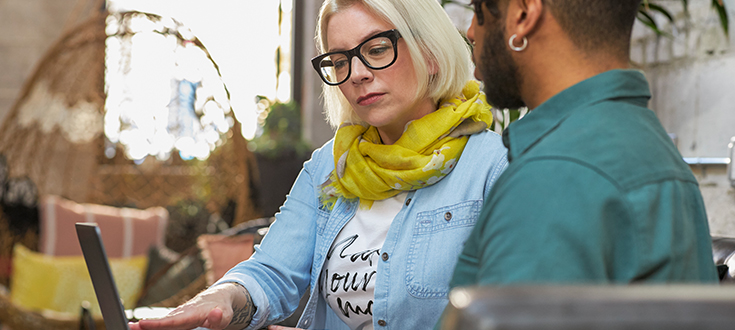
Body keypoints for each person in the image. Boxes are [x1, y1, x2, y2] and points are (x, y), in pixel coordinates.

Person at [130, 0, 508, 329]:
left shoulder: (494, 167)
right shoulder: (331, 165)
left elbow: (509, 313)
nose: (357, 74)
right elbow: (272, 272)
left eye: (376, 50)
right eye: (340, 60)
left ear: (430, 51)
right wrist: (223, 298)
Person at [448, 0, 718, 289]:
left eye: (479, 11)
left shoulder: (555, 174)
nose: (471, 31)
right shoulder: (647, 144)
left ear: (523, 14)